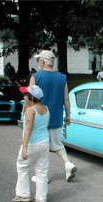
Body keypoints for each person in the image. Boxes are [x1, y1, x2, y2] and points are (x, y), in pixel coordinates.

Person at [29, 50, 77, 182]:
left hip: (40, 118)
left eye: (39, 60)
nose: (38, 62)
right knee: (57, 144)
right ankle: (68, 164)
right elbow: (66, 99)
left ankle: (42, 176)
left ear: (43, 62)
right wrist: (68, 116)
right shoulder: (62, 78)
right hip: (56, 118)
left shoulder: (36, 77)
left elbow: (31, 99)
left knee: (41, 148)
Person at [13, 85, 50, 202]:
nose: (24, 97)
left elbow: (28, 129)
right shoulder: (46, 108)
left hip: (33, 144)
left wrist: (24, 147)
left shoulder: (30, 110)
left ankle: (23, 195)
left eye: (26, 95)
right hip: (44, 143)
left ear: (31, 98)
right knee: (42, 171)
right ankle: (41, 197)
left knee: (22, 167)